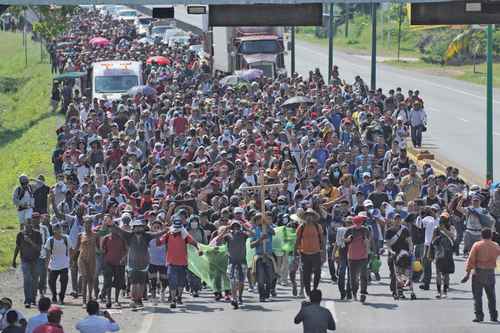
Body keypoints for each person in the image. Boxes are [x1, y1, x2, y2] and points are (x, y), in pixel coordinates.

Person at [110, 217, 165, 310]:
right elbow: (119, 231)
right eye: (137, 227)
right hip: (132, 263)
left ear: (143, 228)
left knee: (142, 283)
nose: (139, 229)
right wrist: (112, 224)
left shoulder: (147, 236)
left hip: (144, 264)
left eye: (140, 227)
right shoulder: (129, 235)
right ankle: (133, 299)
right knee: (134, 283)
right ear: (133, 228)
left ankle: (139, 300)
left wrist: (165, 231)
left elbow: (157, 234)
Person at [157, 216, 202, 309]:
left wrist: (199, 250)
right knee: (172, 282)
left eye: (179, 228)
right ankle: (173, 299)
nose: (177, 230)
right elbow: (158, 243)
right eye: (176, 227)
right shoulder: (168, 234)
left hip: (183, 263)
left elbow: (195, 243)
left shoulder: (185, 235)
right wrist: (159, 233)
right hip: (171, 262)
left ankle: (179, 297)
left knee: (181, 282)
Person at [462, 228, 500, 322]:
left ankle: (479, 316)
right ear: (491, 235)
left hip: (478, 272)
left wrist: (467, 274)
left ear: (481, 235)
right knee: (491, 296)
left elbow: (471, 260)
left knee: (477, 296)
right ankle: (493, 316)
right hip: (490, 272)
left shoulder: (477, 245)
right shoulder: (495, 245)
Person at [217, 220, 253, 309]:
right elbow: (218, 241)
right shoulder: (228, 236)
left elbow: (253, 235)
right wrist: (226, 230)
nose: (236, 228)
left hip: (242, 262)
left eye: (237, 226)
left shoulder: (243, 234)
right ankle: (234, 298)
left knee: (241, 281)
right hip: (232, 262)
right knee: (233, 281)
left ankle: (240, 296)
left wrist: (245, 227)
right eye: (234, 226)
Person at [294, 209, 324, 298]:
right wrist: (295, 252)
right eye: (307, 215)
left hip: (316, 253)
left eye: (311, 215)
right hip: (304, 254)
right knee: (306, 274)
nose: (309, 217)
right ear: (305, 217)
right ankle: (308, 292)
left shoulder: (318, 226)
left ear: (314, 217)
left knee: (317, 272)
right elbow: (297, 241)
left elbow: (322, 240)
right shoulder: (301, 227)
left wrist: (323, 253)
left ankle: (315, 289)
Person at [12, 220, 43, 308]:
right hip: (24, 260)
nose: (28, 227)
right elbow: (17, 247)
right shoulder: (20, 235)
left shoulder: (37, 234)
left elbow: (39, 249)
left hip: (35, 260)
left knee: (34, 280)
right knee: (27, 279)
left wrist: (30, 241)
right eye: (26, 225)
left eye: (30, 225)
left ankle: (33, 299)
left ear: (32, 225)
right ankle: (27, 300)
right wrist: (13, 260)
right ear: (24, 225)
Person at [101, 219, 127, 308]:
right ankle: (108, 299)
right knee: (108, 282)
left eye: (114, 228)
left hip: (119, 263)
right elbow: (103, 250)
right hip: (108, 262)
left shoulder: (122, 238)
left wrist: (123, 258)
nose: (112, 229)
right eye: (111, 228)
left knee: (118, 282)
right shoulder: (106, 238)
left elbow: (126, 250)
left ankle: (116, 300)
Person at [344, 215, 370, 303]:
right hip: (352, 257)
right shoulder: (349, 230)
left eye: (360, 222)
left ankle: (363, 293)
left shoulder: (365, 230)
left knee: (363, 276)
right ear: (353, 223)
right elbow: (344, 241)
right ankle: (354, 293)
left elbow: (369, 241)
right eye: (356, 223)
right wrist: (348, 239)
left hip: (363, 256)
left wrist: (369, 249)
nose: (358, 224)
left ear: (362, 222)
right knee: (353, 277)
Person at [250, 213, 276, 302]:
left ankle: (267, 292)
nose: (260, 221)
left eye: (261, 219)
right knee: (260, 278)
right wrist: (260, 239)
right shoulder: (254, 230)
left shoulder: (268, 228)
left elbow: (274, 233)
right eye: (258, 219)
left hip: (268, 255)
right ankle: (261, 295)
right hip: (259, 256)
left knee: (270, 277)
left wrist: (267, 226)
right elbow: (251, 245)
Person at [431, 212, 456, 299]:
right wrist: (437, 238)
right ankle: (438, 292)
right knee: (438, 273)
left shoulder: (451, 228)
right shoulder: (436, 229)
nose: (443, 220)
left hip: (448, 253)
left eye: (445, 219)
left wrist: (444, 229)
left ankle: (445, 291)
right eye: (442, 219)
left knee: (446, 274)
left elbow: (453, 237)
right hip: (439, 253)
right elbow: (433, 241)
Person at [44, 223, 70, 305]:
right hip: (53, 264)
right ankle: (54, 295)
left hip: (64, 264)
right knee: (51, 281)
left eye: (60, 229)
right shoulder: (50, 240)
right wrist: (46, 264)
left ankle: (61, 297)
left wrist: (71, 260)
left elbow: (71, 249)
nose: (59, 230)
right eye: (57, 229)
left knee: (64, 281)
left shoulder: (66, 238)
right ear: (54, 230)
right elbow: (48, 254)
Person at [76, 218, 98, 306]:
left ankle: (90, 298)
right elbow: (77, 248)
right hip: (82, 258)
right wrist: (72, 259)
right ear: (83, 225)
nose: (87, 225)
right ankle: (84, 301)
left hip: (92, 258)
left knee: (91, 279)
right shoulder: (80, 235)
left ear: (91, 225)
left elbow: (99, 248)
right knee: (84, 278)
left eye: (89, 224)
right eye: (86, 224)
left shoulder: (95, 235)